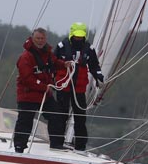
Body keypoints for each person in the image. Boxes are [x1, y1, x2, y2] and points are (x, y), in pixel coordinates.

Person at [14, 27, 66, 153]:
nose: (40, 41)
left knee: (57, 115)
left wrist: (65, 64)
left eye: (42, 38)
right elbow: (27, 78)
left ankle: (57, 144)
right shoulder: (25, 57)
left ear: (45, 39)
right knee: (25, 121)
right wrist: (44, 87)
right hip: (28, 94)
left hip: (44, 94)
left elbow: (54, 62)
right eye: (38, 38)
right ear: (32, 38)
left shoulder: (47, 54)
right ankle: (19, 147)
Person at [54, 22, 104, 151]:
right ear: (72, 34)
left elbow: (94, 65)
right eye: (76, 36)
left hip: (79, 89)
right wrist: (52, 81)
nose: (78, 39)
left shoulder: (89, 49)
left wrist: (99, 77)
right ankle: (57, 142)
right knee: (61, 115)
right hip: (64, 87)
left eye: (81, 36)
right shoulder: (61, 47)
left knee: (80, 117)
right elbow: (53, 63)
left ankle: (80, 145)